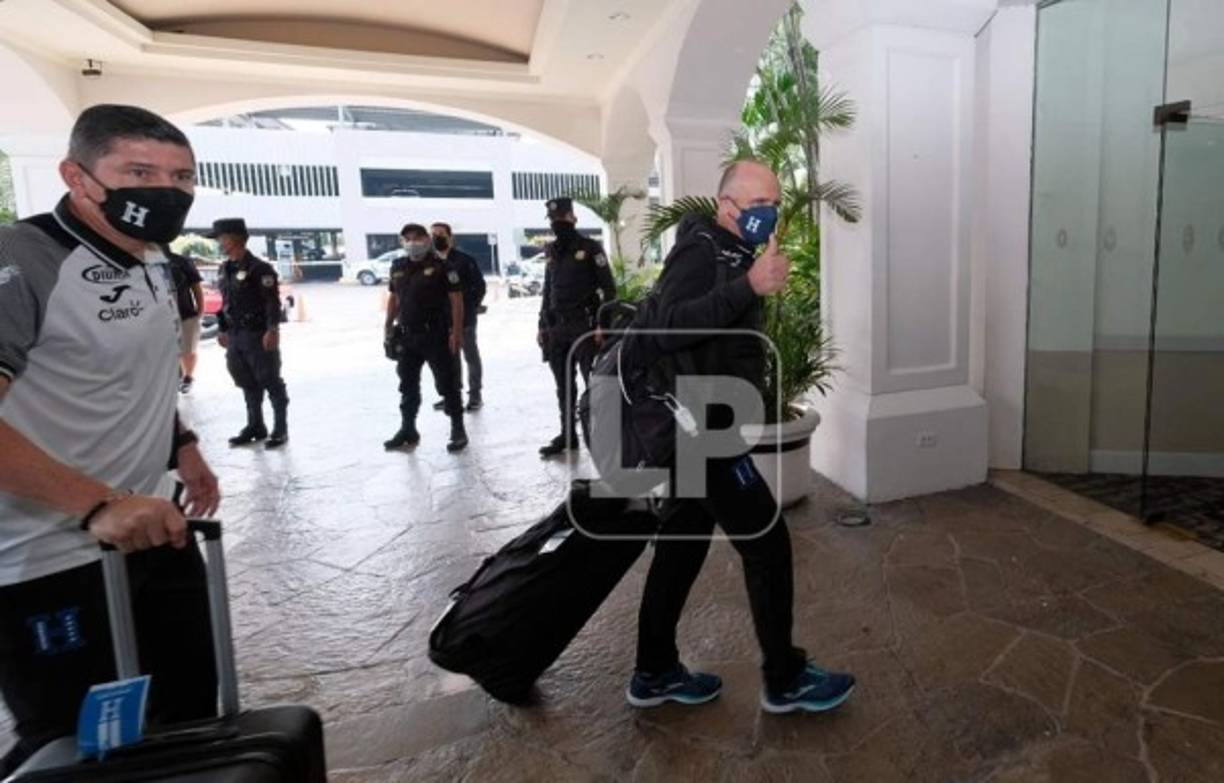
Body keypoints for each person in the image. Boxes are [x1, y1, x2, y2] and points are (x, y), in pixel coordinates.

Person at [0, 104, 222, 774]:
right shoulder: (23, 261)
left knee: (188, 710)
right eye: (139, 172)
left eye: (181, 177)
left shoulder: (155, 259)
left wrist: (182, 445)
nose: (167, 190)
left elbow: (133, 374)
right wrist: (96, 504)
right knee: (77, 742)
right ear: (78, 176)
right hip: (47, 555)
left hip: (153, 525)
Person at [626, 160, 856, 714]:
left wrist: (751, 283)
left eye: (773, 202)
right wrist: (748, 287)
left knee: (681, 547)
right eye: (756, 205)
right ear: (724, 205)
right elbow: (664, 329)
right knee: (767, 544)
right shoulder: (701, 250)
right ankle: (785, 678)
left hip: (703, 423)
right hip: (701, 429)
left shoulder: (734, 251)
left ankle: (653, 672)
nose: (768, 213)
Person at [537, 197, 616, 457]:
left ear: (573, 218)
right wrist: (541, 325)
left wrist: (603, 325)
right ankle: (568, 435)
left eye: (562, 217)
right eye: (553, 219)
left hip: (585, 327)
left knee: (593, 384)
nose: (557, 223)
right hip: (557, 329)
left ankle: (603, 437)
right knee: (564, 387)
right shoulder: (552, 251)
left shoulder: (591, 248)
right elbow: (547, 290)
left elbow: (609, 289)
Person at [383, 223, 468, 453]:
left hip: (436, 335)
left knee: (447, 384)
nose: (412, 243)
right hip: (407, 336)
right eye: (407, 238)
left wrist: (456, 332)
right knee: (407, 385)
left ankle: (458, 429)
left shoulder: (443, 267)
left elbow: (457, 300)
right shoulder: (398, 267)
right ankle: (408, 429)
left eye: (417, 237)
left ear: (427, 240)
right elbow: (394, 297)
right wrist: (388, 325)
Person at [211, 218, 290, 449]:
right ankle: (255, 425)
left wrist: (272, 329)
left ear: (233, 239)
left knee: (270, 380)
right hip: (235, 335)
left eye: (220, 238)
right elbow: (226, 303)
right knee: (245, 380)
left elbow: (271, 302)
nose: (218, 243)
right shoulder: (225, 268)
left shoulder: (259, 268)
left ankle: (280, 428)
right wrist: (223, 328)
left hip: (257, 334)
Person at [429, 222, 486, 412]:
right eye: (433, 234)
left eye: (441, 234)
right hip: (440, 321)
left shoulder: (464, 260)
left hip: (465, 318)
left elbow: (480, 286)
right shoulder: (429, 262)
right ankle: (451, 395)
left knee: (470, 356)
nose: (437, 237)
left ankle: (475, 395)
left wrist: (470, 306)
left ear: (450, 237)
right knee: (448, 359)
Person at [167, 247, 204, 394]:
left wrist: (200, 309)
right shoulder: (144, 260)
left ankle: (188, 378)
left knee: (188, 350)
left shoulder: (182, 262)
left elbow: (196, 286)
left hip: (186, 313)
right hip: (160, 317)